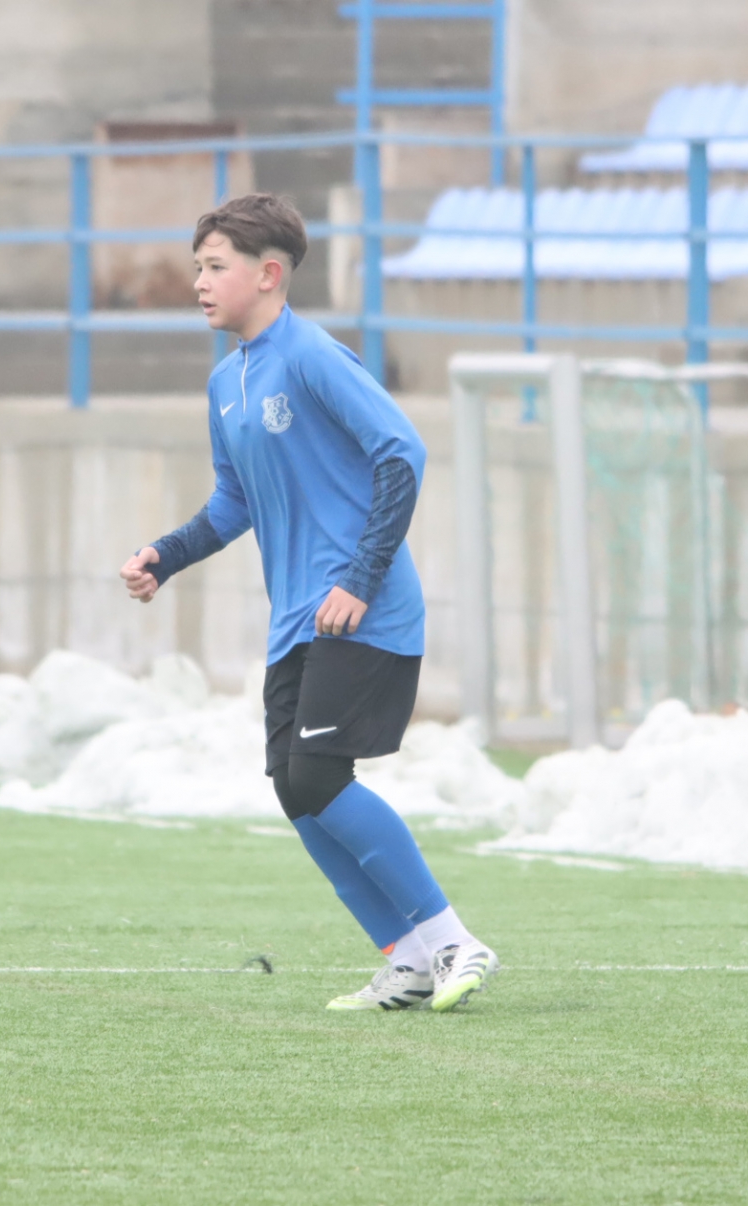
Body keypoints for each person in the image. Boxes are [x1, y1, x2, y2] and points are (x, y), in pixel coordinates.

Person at [119, 193, 497, 1013]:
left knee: (320, 774)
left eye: (214, 267)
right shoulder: (226, 382)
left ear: (268, 274)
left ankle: (452, 941)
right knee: (295, 789)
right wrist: (166, 556)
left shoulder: (312, 356)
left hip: (362, 609)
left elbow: (402, 452)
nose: (199, 283)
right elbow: (233, 502)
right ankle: (407, 959)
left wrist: (359, 578)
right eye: (196, 268)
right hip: (295, 619)